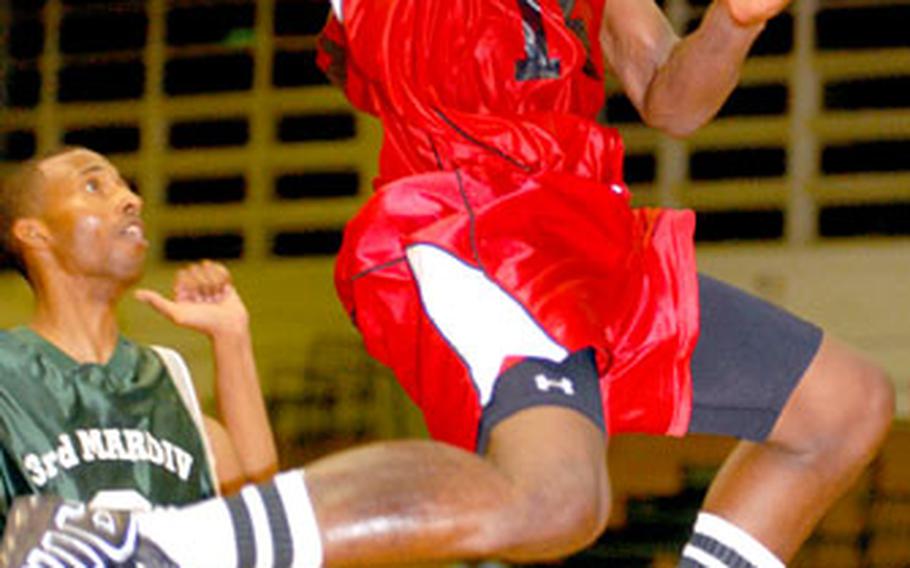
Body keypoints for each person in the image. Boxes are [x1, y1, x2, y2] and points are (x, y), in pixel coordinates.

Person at [0, 1, 896, 567]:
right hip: (472, 220)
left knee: (844, 405)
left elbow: (672, 100)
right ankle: (152, 545)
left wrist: (731, 26)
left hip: (592, 231)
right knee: (558, 501)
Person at [0, 146, 278, 534]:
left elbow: (256, 520)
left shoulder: (164, 378)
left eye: (126, 187)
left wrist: (231, 339)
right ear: (35, 233)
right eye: (94, 185)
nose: (132, 200)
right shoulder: (8, 377)